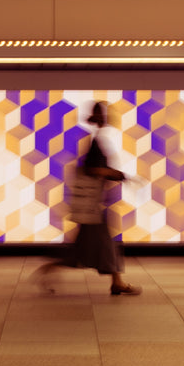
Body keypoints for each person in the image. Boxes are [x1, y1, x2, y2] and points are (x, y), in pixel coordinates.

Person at [35, 101, 142, 296]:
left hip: (94, 205)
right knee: (101, 245)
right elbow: (92, 169)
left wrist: (114, 175)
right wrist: (118, 175)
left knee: (85, 248)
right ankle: (116, 282)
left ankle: (115, 281)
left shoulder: (97, 139)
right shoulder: (97, 142)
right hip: (94, 206)